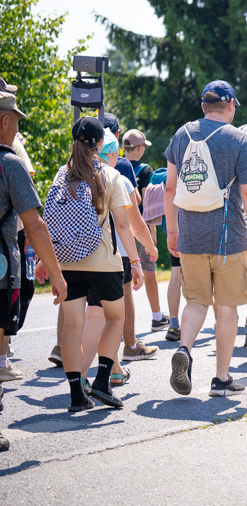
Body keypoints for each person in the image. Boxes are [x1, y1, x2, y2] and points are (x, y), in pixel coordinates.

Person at [164, 80, 247, 397]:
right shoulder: (239, 140)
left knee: (196, 301)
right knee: (227, 307)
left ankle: (184, 348)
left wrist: (173, 229)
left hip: (190, 235)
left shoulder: (182, 135)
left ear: (204, 105)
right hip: (228, 237)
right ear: (231, 105)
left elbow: (169, 188)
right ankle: (221, 379)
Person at [50, 117, 144, 411]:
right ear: (101, 143)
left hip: (67, 260)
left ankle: (77, 394)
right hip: (103, 261)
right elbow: (124, 226)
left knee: (73, 327)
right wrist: (137, 262)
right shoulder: (109, 175)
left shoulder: (61, 174)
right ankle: (103, 379)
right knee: (115, 317)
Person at [0, 89, 67, 451]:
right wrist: (56, 273)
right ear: (4, 121)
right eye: (16, 123)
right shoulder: (9, 164)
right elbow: (35, 225)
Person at [78, 130, 157, 388]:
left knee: (94, 316)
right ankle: (95, 377)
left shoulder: (78, 176)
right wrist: (147, 250)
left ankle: (112, 371)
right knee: (113, 319)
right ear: (110, 153)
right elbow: (132, 224)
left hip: (84, 255)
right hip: (115, 257)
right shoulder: (117, 179)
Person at [123, 129, 168, 330]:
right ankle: (157, 316)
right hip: (138, 224)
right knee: (149, 272)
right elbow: (147, 203)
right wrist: (152, 231)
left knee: (123, 276)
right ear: (140, 148)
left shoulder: (116, 165)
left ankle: (120, 321)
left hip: (119, 226)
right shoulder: (145, 170)